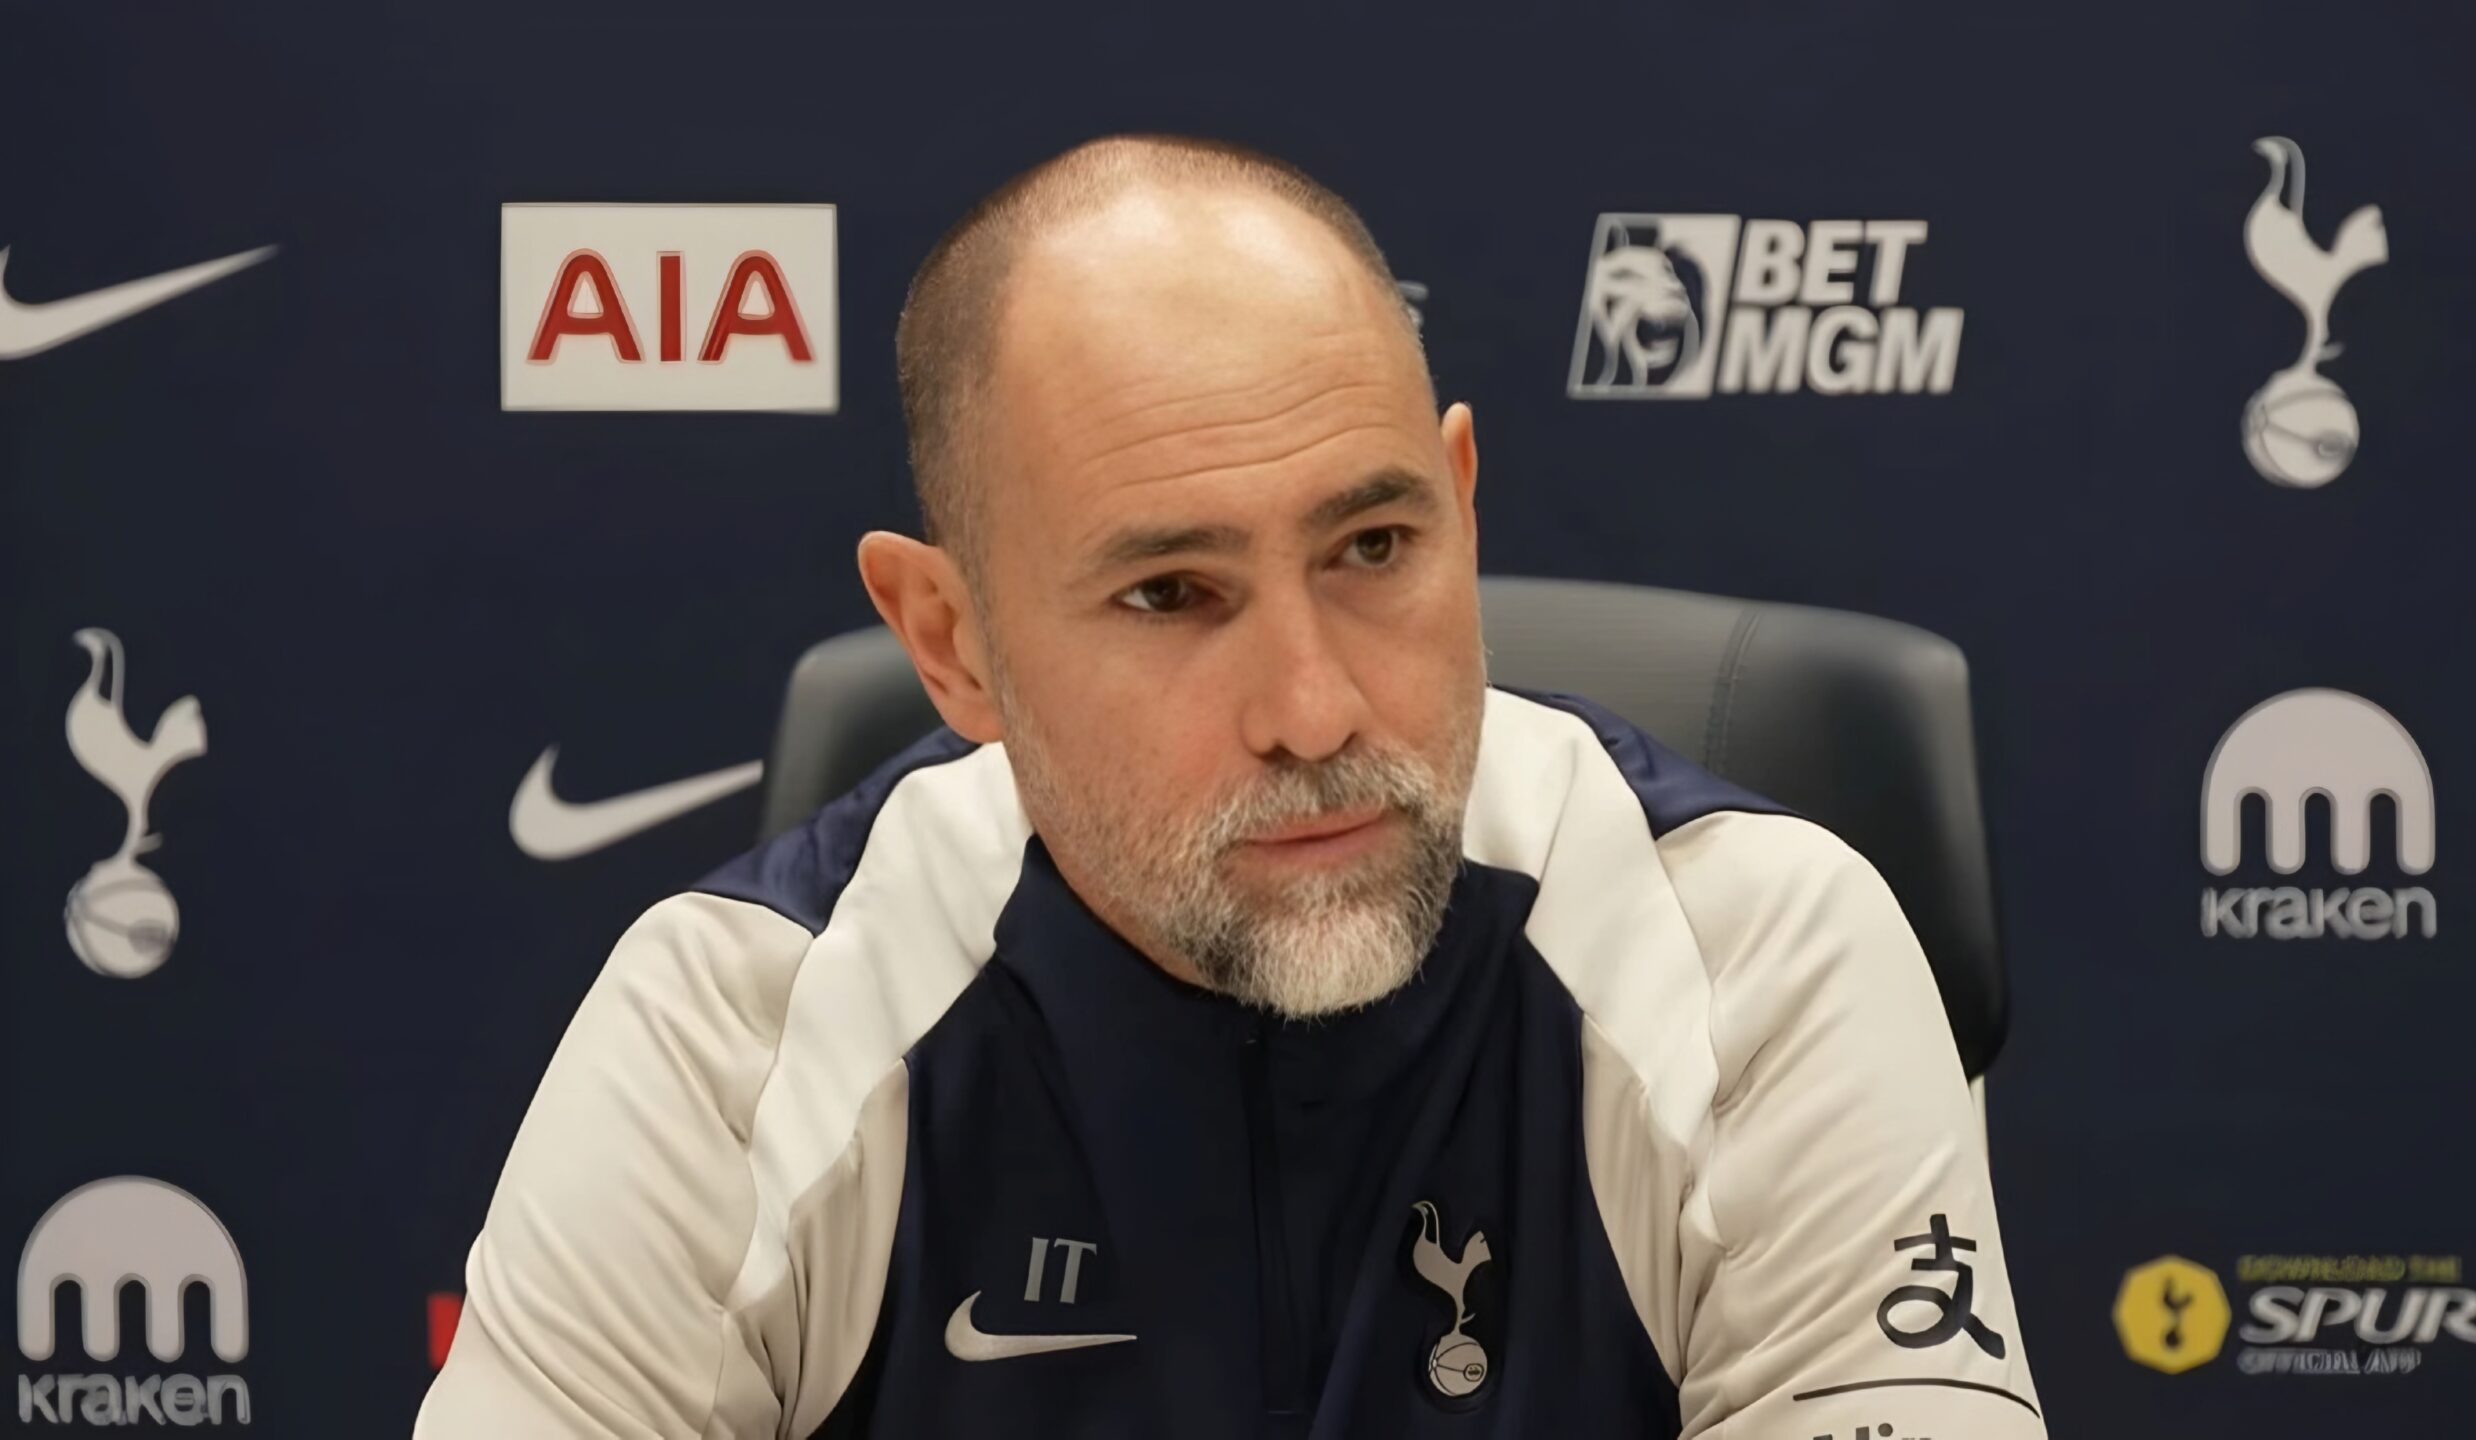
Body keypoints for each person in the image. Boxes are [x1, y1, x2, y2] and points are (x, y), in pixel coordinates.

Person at [416, 134, 2044, 1439]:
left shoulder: (1758, 965)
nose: (1314, 709)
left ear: (1463, 507)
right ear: (953, 643)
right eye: (1170, 594)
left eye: (1375, 548)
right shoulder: (734, 1044)